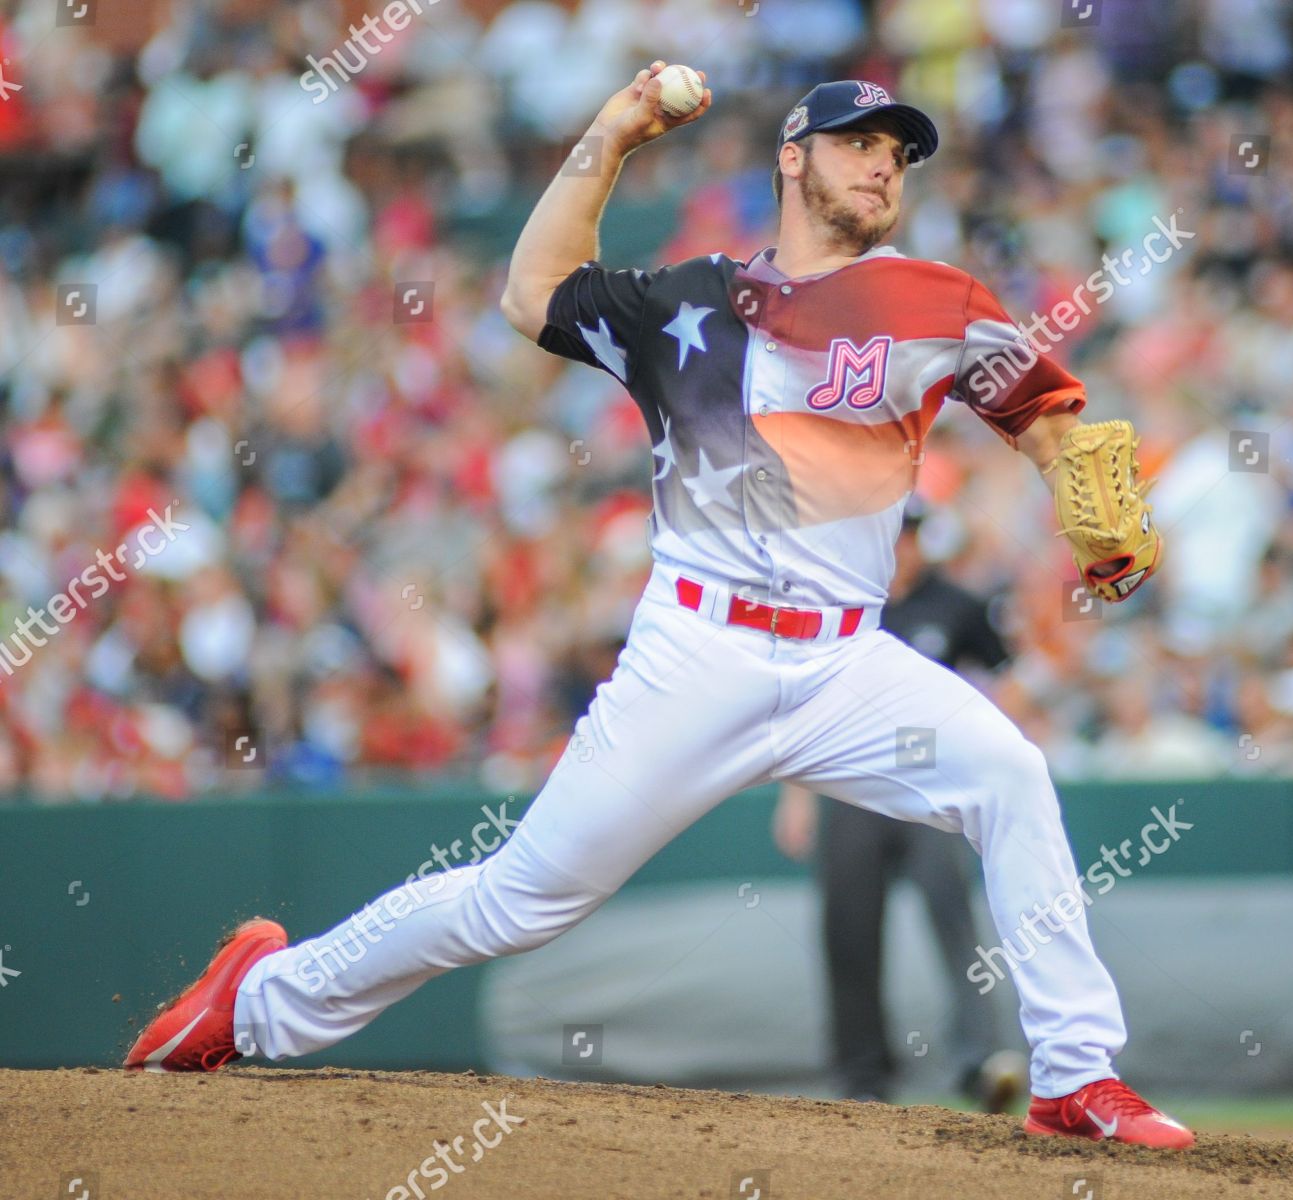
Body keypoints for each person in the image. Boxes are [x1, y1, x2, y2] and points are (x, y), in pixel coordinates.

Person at [125, 64, 1192, 1149]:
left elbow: (1051, 415)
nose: (884, 160)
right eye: (859, 139)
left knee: (1010, 775)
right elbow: (530, 294)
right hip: (699, 649)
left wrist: (1083, 498)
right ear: (793, 155)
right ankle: (255, 1001)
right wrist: (615, 129)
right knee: (521, 902)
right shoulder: (685, 299)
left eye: (899, 149)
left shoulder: (937, 300)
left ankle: (1074, 1076)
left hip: (845, 665)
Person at [773, 507, 1027, 1109]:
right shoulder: (842, 605)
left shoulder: (955, 605)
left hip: (929, 792)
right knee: (849, 932)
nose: (901, 547)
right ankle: (863, 1079)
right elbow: (810, 705)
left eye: (908, 535)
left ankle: (979, 1062)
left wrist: (992, 760)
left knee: (956, 926)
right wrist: (795, 796)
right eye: (892, 534)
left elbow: (1007, 681)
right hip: (853, 787)